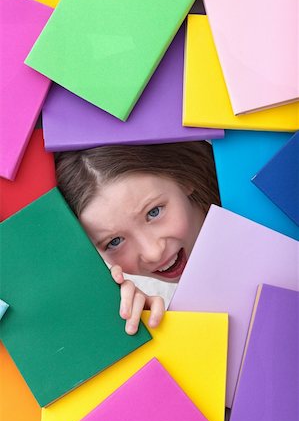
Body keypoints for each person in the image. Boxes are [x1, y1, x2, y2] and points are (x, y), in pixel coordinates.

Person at [55, 141, 220, 335]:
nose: (153, 253)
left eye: (154, 212)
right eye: (114, 242)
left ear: (184, 179)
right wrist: (153, 334)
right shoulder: (141, 299)